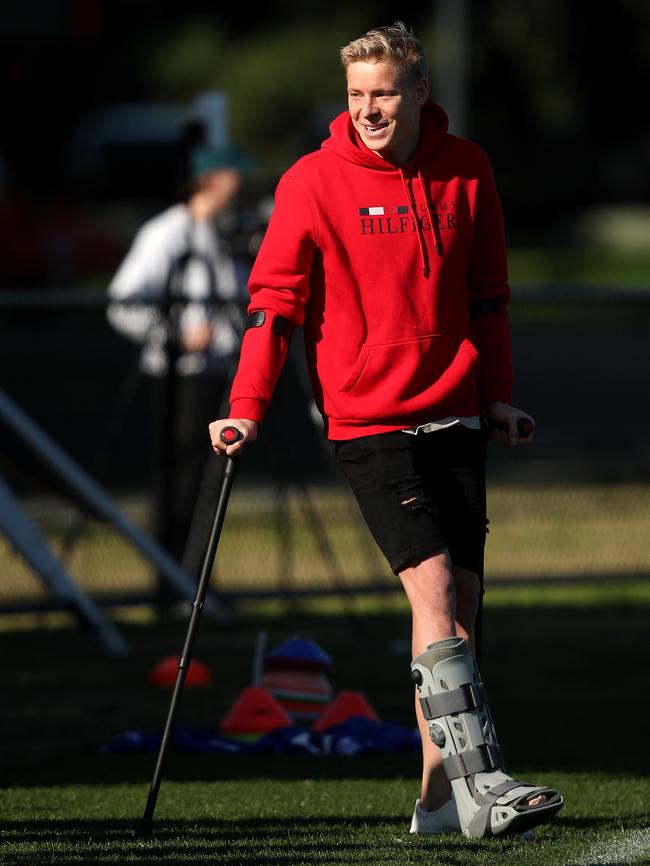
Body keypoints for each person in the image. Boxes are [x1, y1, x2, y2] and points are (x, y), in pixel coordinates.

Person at [208, 22, 564, 838]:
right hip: (369, 418)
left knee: (459, 610)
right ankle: (487, 784)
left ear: (419, 94)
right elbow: (273, 305)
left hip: (458, 411)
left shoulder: (467, 170)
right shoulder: (309, 181)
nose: (368, 109)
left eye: (384, 94)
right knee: (434, 588)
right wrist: (247, 405)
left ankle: (438, 802)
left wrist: (498, 395)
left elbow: (489, 297)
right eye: (356, 95)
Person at [107, 145, 250, 578]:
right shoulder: (166, 233)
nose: (239, 185)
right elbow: (122, 302)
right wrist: (175, 335)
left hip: (219, 374)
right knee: (181, 479)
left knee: (211, 483)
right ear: (210, 179)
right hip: (179, 377)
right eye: (232, 174)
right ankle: (172, 577)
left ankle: (200, 577)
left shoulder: (222, 233)